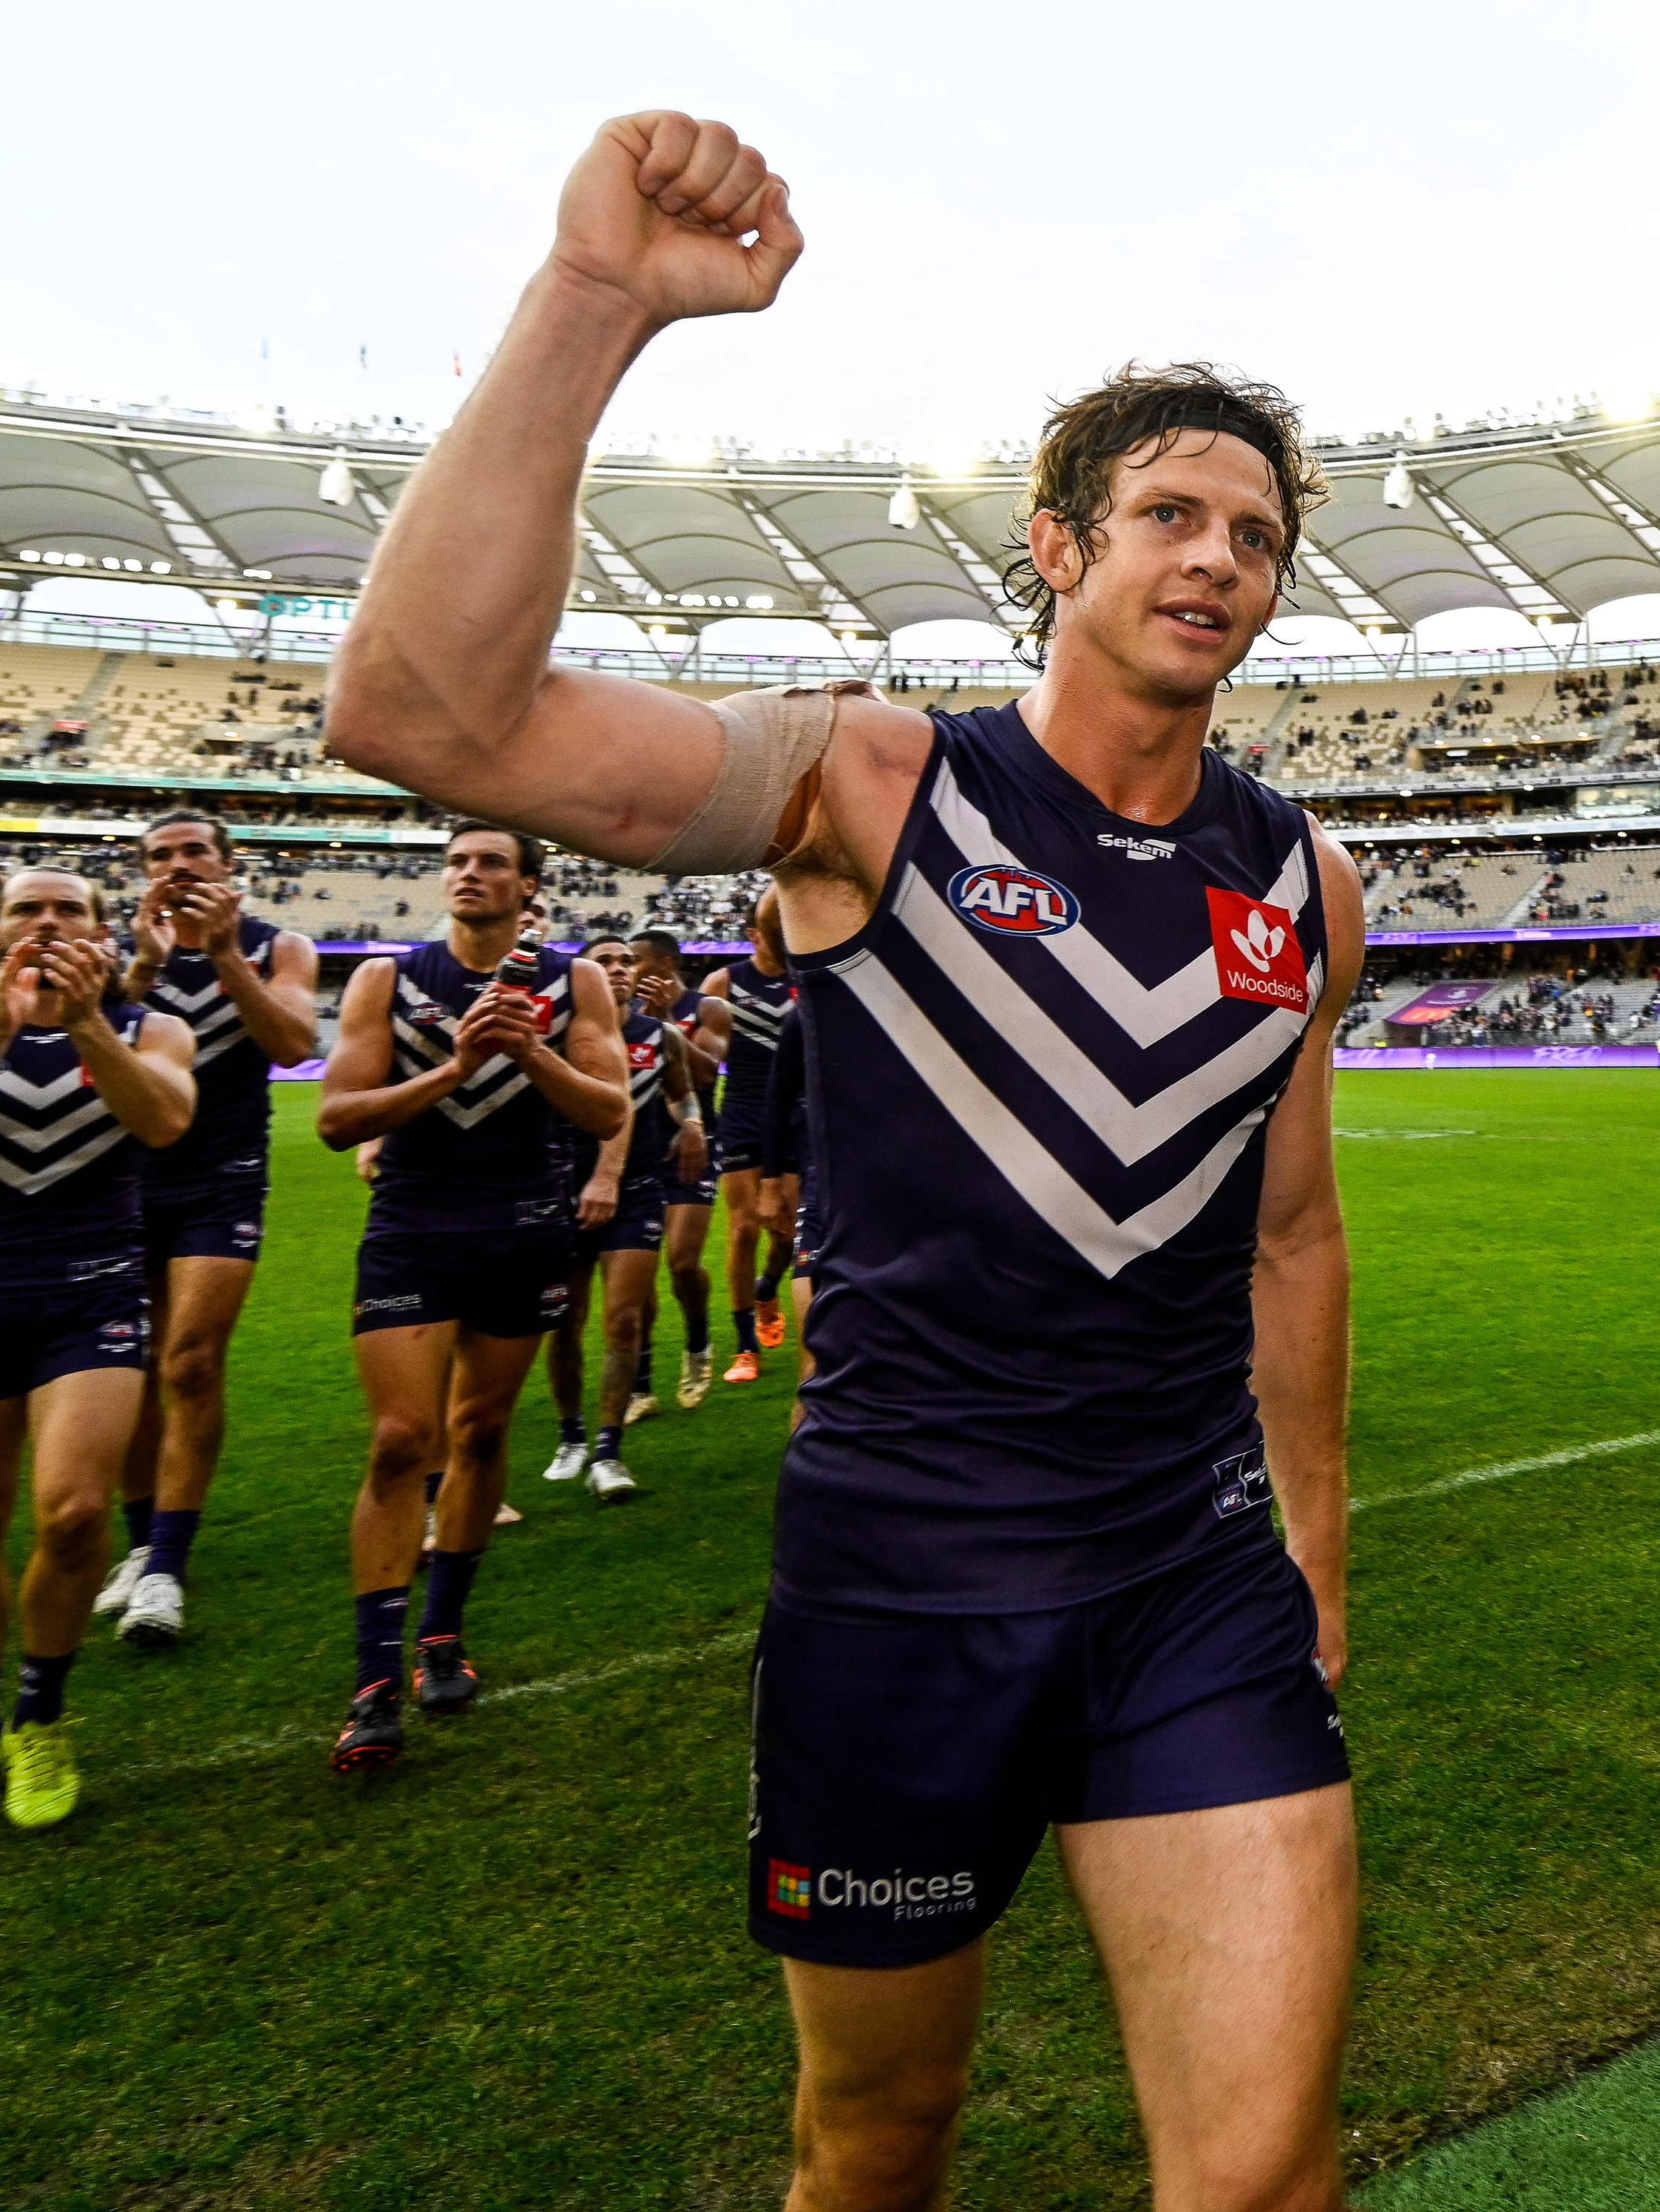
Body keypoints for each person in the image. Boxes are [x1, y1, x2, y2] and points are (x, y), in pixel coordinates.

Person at [325, 112, 1366, 2211]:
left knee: (1259, 2174)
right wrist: (596, 300)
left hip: (1189, 1585)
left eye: (1252, 535)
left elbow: (1291, 1228)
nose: (1217, 561)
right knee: (877, 2142)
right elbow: (423, 710)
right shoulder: (874, 784)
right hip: (903, 1581)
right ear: (1057, 548)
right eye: (1168, 511)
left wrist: (1317, 1557)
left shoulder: (1307, 878)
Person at [0, 869, 197, 1833]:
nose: (46, 926)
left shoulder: (152, 1031)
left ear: (100, 934)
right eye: (27, 911)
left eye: (68, 912)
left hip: (94, 1293)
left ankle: (42, 1717)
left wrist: (90, 1024)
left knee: (69, 1513)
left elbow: (166, 1122)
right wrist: (1, 1033)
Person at [316, 825, 627, 1770]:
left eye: (491, 862)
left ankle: (441, 1634)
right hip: (413, 1222)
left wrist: (528, 1053)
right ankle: (373, 1682)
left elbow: (609, 1110)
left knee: (483, 1431)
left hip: (522, 1223)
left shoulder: (575, 981)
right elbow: (336, 1119)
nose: (469, 874)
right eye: (457, 862)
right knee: (401, 1439)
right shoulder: (386, 980)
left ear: (528, 886)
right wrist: (453, 1067)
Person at [92, 809, 321, 1647]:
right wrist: (145, 968)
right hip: (117, 1185)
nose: (177, 866)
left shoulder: (274, 946)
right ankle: (141, 1537)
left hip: (220, 1182)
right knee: (127, 1367)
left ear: (229, 866)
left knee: (188, 1361)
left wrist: (223, 954)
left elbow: (293, 1043)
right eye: (160, 856)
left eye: (194, 852)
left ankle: (166, 1568)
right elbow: (79, 1043)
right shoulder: (116, 953)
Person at [548, 963, 703, 1498]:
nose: (616, 969)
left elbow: (682, 1092)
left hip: (637, 1189)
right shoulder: (557, 1032)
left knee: (625, 1320)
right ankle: (570, 1435)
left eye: (623, 961)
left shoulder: (660, 1037)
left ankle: (608, 1453)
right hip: (562, 1189)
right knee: (564, 1322)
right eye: (603, 960)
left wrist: (692, 1124)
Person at [630, 925, 729, 1407]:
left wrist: (666, 1025)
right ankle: (641, 1383)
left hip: (695, 1145)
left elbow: (710, 1073)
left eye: (636, 961)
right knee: (637, 1275)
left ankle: (697, 1343)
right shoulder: (618, 1009)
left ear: (665, 964)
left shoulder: (707, 1009)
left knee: (682, 1263)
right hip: (640, 1146)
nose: (628, 970)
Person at [706, 886, 799, 1381]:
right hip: (742, 1111)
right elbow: (707, 1056)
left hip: (796, 1118)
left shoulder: (807, 978)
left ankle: (767, 1289)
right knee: (742, 1229)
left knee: (787, 1233)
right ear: (753, 935)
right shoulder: (725, 982)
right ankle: (745, 1348)